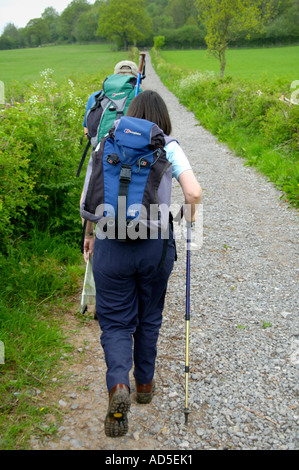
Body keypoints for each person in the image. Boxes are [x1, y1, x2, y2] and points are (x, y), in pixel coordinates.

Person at [82, 90, 202, 438]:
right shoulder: (168, 145)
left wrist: (89, 234)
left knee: (116, 322)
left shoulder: (108, 141)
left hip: (109, 240)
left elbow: (92, 193)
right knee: (149, 316)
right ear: (162, 118)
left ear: (131, 113)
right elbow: (193, 193)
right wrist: (189, 221)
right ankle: (145, 386)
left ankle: (119, 385)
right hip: (154, 245)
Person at [82, 60, 139, 140]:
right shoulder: (141, 97)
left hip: (101, 150)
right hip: (132, 149)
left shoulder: (96, 97)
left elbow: (87, 132)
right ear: (136, 79)